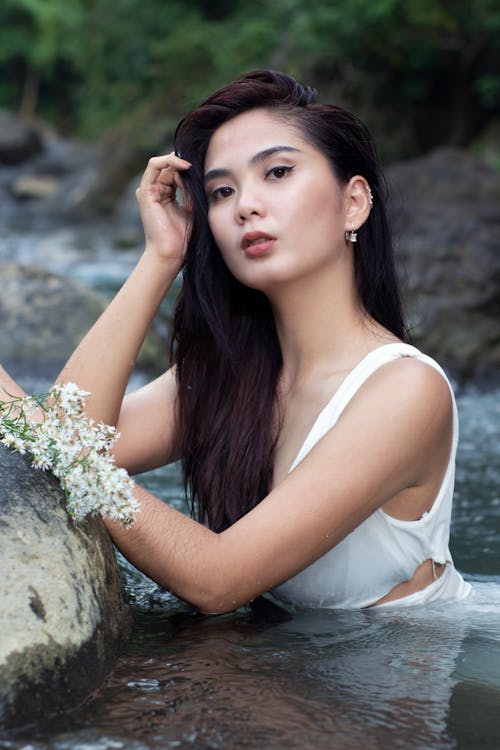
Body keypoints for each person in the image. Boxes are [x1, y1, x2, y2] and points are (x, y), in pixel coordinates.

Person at [0, 69, 471, 613]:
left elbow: (216, 580)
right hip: (297, 674)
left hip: (391, 680)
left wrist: (12, 406)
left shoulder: (405, 391)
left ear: (354, 203)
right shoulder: (232, 372)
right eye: (222, 191)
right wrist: (161, 257)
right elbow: (73, 439)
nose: (246, 204)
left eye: (278, 172)